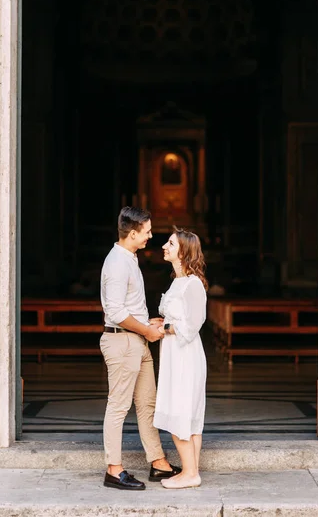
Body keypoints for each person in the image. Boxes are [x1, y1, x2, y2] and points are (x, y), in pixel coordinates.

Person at [100, 206, 181, 491]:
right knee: (118, 406)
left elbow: (128, 308)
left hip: (137, 339)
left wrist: (147, 322)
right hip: (122, 341)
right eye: (146, 232)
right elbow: (115, 311)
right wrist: (146, 329)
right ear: (132, 233)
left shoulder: (129, 258)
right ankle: (114, 469)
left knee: (147, 404)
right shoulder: (117, 263)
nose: (150, 236)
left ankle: (158, 463)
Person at [153, 226, 208, 489]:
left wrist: (163, 329)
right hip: (173, 354)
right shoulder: (177, 281)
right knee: (186, 413)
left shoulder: (193, 284)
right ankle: (192, 470)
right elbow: (177, 318)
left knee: (181, 411)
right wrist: (159, 322)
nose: (165, 246)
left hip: (186, 355)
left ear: (184, 252)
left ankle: (189, 473)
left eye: (171, 244)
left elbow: (192, 325)